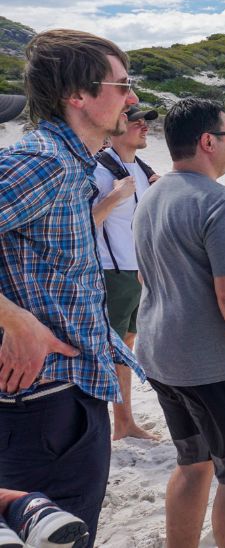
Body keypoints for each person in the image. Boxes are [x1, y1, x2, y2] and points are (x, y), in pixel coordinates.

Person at [0, 30, 144, 546]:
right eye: (122, 86)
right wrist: (16, 322)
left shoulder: (72, 165)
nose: (132, 99)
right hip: (42, 404)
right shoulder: (45, 163)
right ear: (77, 96)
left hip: (66, 394)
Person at [134, 98, 225, 548]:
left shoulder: (153, 194)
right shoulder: (221, 203)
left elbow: (147, 274)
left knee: (193, 463)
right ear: (208, 141)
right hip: (216, 367)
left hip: (163, 357)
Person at [92, 103, 160, 442]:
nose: (144, 127)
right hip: (111, 275)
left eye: (146, 122)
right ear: (116, 125)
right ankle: (100, 427)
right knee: (104, 351)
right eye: (137, 122)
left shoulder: (144, 170)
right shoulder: (99, 171)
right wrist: (114, 198)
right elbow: (81, 225)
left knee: (126, 348)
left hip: (138, 274)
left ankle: (124, 423)